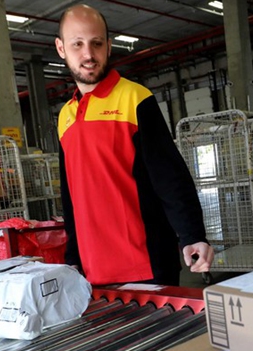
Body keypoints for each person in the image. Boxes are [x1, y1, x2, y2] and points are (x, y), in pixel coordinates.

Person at [54, 4, 213, 286]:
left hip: (146, 265)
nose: (88, 54)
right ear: (61, 48)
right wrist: (73, 255)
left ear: (109, 46)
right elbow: (70, 196)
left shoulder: (135, 99)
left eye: (97, 43)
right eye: (77, 44)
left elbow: (169, 175)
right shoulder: (65, 116)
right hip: (92, 271)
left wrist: (192, 235)